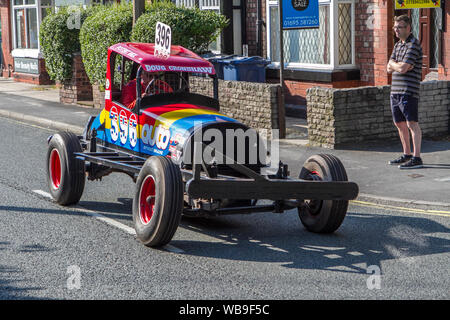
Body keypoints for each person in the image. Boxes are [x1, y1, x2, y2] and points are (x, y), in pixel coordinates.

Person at [387, 15, 423, 169]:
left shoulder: (413, 45)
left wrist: (396, 65)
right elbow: (388, 68)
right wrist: (397, 65)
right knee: (399, 124)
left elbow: (400, 68)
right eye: (395, 27)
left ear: (408, 28)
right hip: (395, 91)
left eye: (399, 27)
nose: (396, 30)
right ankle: (407, 154)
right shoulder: (397, 45)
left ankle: (417, 157)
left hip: (409, 91)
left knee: (412, 124)